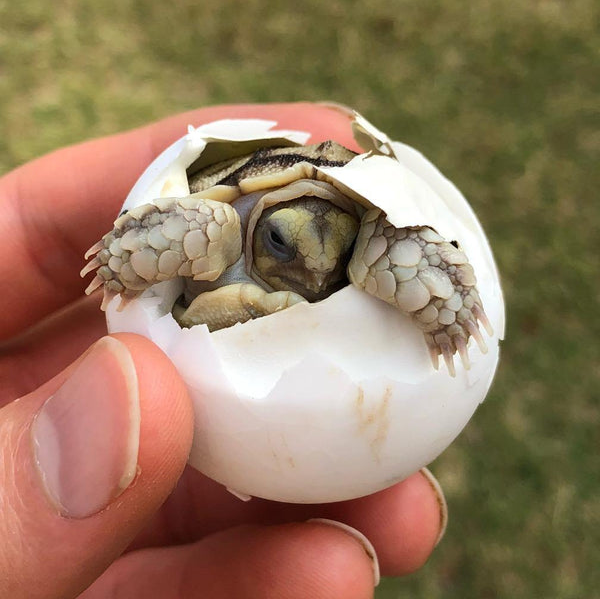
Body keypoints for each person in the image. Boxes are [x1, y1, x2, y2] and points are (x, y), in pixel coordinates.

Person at [0, 102, 447, 598]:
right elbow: (171, 236)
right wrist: (119, 260)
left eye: (337, 260)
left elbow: (405, 250)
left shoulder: (373, 240)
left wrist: (447, 312)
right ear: (261, 228)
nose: (315, 271)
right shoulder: (219, 227)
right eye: (281, 243)